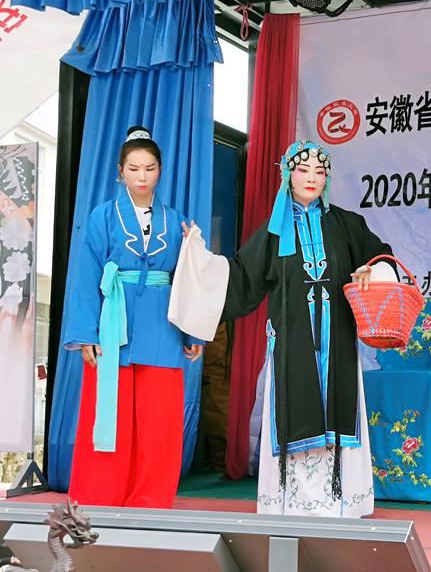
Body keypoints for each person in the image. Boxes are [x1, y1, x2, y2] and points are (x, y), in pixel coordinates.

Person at [174, 140, 394, 517]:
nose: (311, 178)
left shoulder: (347, 225)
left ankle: (342, 501)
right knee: (296, 412)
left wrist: (370, 271)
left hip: (338, 341)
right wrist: (198, 257)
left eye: (319, 172)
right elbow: (240, 279)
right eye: (303, 170)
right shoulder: (274, 232)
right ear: (288, 175)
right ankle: (297, 504)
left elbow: (381, 257)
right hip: (292, 342)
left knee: (338, 411)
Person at [63, 126, 203, 508]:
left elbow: (189, 278)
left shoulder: (177, 221)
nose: (142, 177)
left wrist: (193, 332)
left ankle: (150, 500)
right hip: (113, 322)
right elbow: (86, 277)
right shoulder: (102, 217)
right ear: (120, 171)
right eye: (134, 169)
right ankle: (99, 498)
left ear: (160, 171)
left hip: (163, 326)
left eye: (150, 168)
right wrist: (86, 334)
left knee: (159, 420)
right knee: (109, 414)